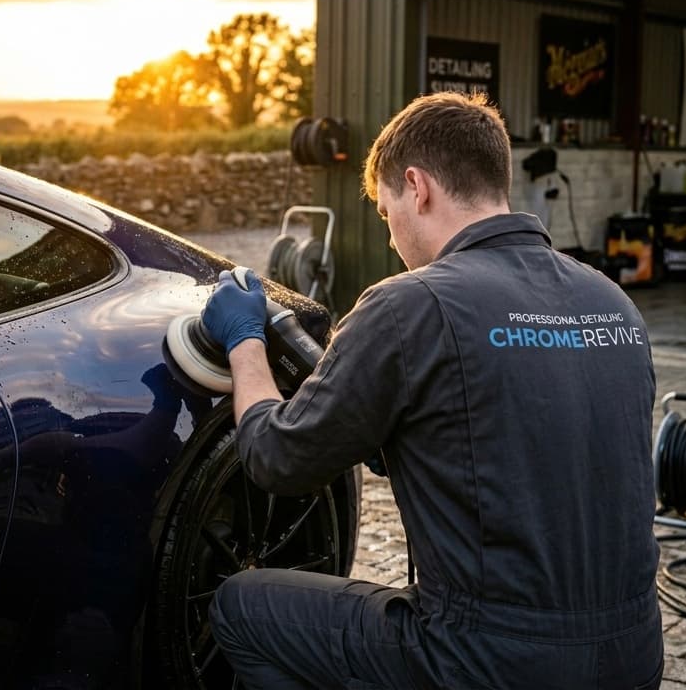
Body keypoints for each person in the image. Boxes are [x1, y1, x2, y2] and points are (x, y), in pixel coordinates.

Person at [200, 92, 662, 690]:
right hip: (633, 657)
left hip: (486, 663)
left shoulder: (408, 304)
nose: (393, 240)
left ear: (416, 187)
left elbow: (276, 458)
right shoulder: (613, 304)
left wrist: (243, 341)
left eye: (387, 213)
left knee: (242, 607)